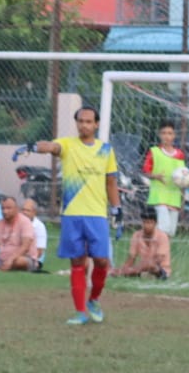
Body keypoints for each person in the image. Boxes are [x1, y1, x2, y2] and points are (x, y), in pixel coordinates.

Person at [15, 106, 120, 326]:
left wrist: (116, 209)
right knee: (78, 261)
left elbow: (111, 182)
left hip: (97, 215)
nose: (84, 125)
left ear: (96, 124)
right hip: (72, 214)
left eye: (89, 121)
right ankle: (80, 311)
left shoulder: (106, 150)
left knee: (101, 261)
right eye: (81, 121)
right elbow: (51, 147)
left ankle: (94, 299)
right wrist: (33, 146)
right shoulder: (68, 145)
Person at [141, 120, 186, 237]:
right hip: (158, 196)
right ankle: (156, 252)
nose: (167, 136)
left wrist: (186, 181)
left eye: (170, 133)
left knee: (170, 232)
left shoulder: (180, 154)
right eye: (164, 133)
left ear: (174, 135)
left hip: (174, 196)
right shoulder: (154, 152)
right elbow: (146, 171)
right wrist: (155, 176)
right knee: (164, 229)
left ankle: (162, 253)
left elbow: (183, 174)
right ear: (160, 135)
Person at [117, 211, 172, 280]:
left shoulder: (162, 236)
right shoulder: (136, 235)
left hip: (160, 270)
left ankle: (130, 272)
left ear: (155, 223)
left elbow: (158, 260)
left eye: (149, 223)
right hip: (142, 269)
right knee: (123, 269)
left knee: (150, 264)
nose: (146, 225)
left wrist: (138, 267)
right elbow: (131, 257)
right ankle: (122, 273)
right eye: (144, 222)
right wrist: (124, 269)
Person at [21, 198, 48, 272]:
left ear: (34, 212)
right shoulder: (18, 223)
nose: (24, 212)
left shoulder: (39, 226)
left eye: (28, 210)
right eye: (23, 210)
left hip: (34, 259)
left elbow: (40, 251)